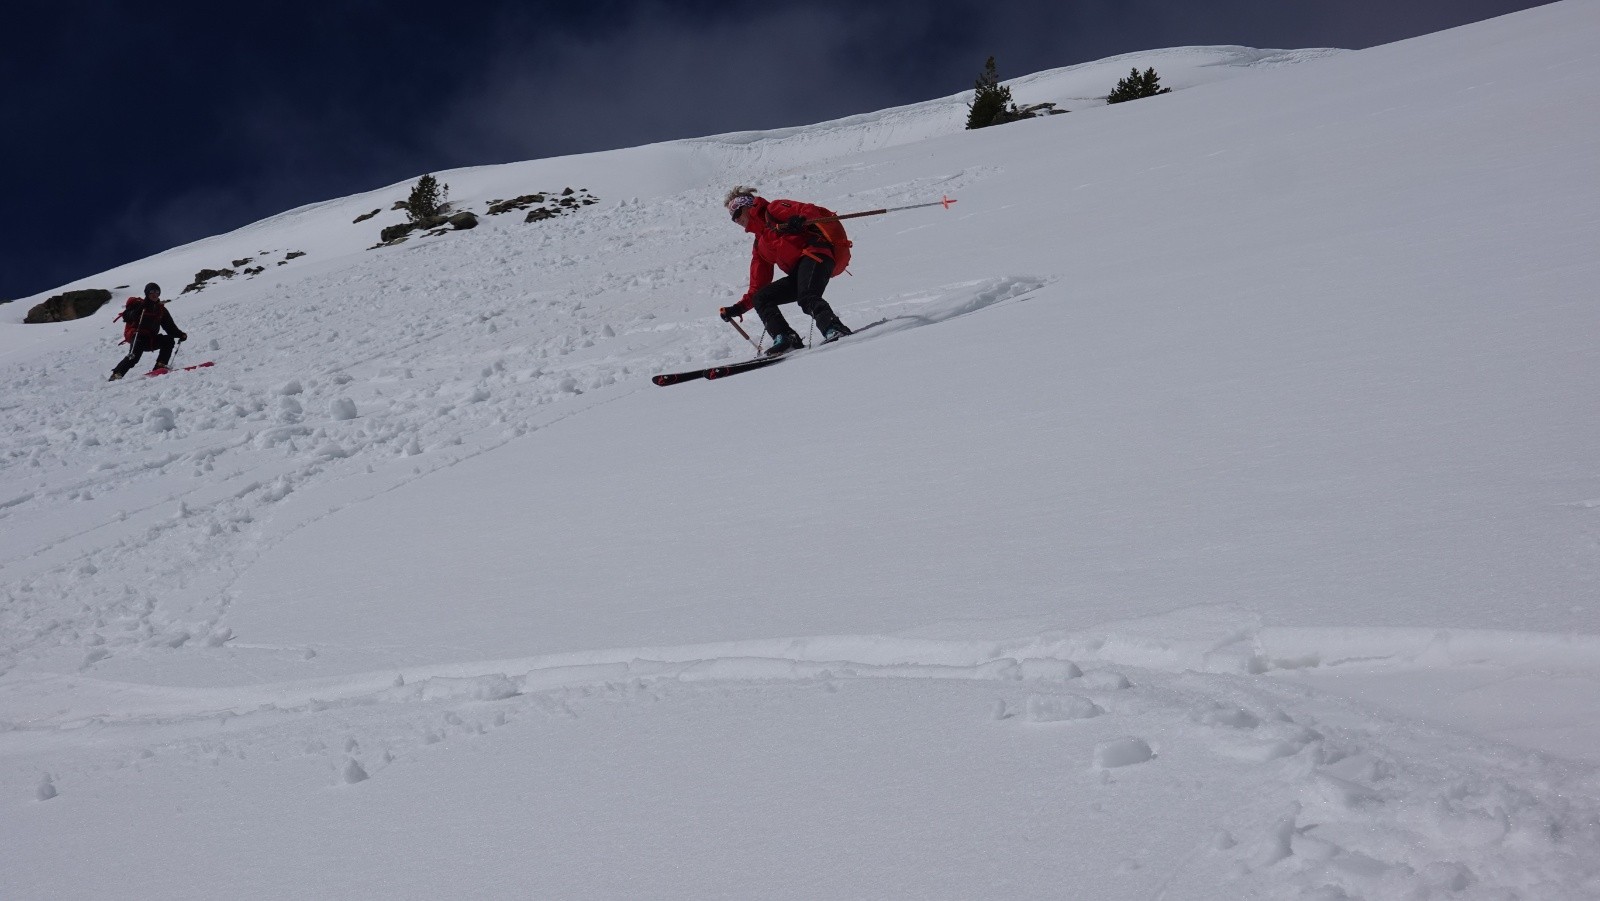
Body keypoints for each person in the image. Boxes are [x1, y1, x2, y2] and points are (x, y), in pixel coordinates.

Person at [718, 186, 852, 356]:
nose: (736, 220)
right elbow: (757, 285)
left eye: (737, 213)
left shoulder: (773, 210)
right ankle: (786, 337)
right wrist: (738, 309)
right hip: (799, 271)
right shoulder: (760, 244)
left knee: (807, 295)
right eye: (732, 218)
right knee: (762, 297)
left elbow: (809, 210)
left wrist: (799, 219)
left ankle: (833, 327)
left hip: (816, 255)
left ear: (748, 205)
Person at [109, 283, 187, 380]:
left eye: (157, 292)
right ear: (147, 293)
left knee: (168, 340)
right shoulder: (138, 304)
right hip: (137, 336)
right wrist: (141, 308)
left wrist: (180, 334)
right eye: (151, 292)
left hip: (151, 339)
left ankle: (160, 365)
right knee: (134, 356)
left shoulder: (161, 309)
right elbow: (127, 316)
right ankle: (116, 374)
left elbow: (169, 327)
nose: (154, 294)